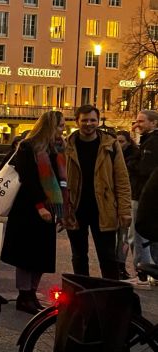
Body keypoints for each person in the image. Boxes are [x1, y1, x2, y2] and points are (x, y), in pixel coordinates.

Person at [0, 111, 67, 314]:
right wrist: (40, 206)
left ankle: (32, 294)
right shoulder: (28, 146)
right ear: (49, 126)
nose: (62, 129)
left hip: (49, 207)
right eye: (60, 125)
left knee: (41, 255)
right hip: (28, 209)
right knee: (26, 255)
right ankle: (24, 295)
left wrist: (61, 208)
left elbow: (61, 179)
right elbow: (27, 178)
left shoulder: (57, 148)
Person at [63, 105, 131, 280]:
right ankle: (83, 294)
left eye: (93, 120)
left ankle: (110, 294)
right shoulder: (67, 146)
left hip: (104, 208)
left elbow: (122, 180)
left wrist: (124, 210)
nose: (89, 124)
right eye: (84, 120)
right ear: (77, 121)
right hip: (76, 208)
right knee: (79, 256)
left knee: (107, 256)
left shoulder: (111, 144)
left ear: (98, 121)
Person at [130, 109, 158, 284]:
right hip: (147, 194)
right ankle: (152, 273)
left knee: (138, 235)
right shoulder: (148, 141)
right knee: (152, 236)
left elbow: (144, 169)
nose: (137, 124)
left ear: (154, 123)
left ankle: (142, 273)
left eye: (141, 121)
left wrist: (132, 163)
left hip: (142, 194)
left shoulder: (152, 143)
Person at [115, 130, 140, 278]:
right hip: (114, 201)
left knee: (124, 236)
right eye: (117, 141)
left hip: (127, 200)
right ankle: (117, 266)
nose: (119, 144)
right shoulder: (111, 155)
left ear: (128, 142)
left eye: (122, 141)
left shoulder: (134, 158)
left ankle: (121, 266)